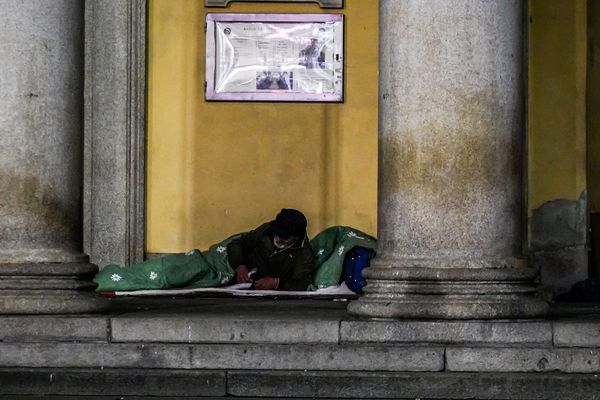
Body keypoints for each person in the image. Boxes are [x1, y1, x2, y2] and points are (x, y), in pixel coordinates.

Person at [227, 208, 314, 291]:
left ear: (296, 237)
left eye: (284, 237)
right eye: (277, 233)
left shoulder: (304, 253)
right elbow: (237, 244)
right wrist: (240, 266)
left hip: (261, 288)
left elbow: (303, 283)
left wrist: (277, 283)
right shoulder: (266, 231)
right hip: (245, 274)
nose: (279, 238)